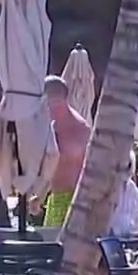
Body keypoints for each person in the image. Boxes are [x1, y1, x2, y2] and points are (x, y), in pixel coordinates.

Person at [36, 75, 91, 229]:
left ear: (55, 100)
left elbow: (66, 162)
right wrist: (41, 195)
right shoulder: (53, 126)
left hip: (74, 201)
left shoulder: (79, 129)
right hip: (56, 199)